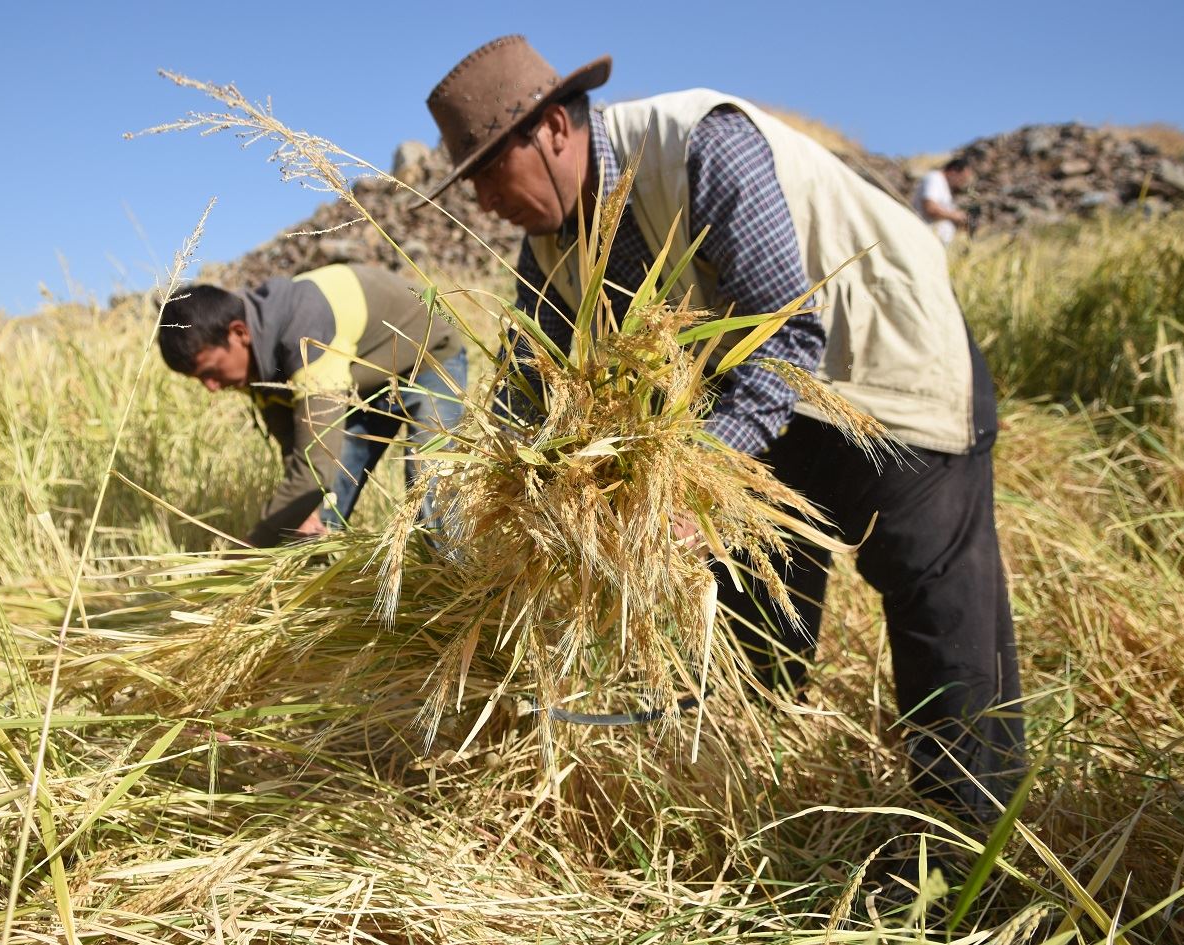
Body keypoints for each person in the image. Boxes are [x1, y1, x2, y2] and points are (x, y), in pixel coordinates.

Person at [422, 36, 1023, 824]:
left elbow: (787, 340)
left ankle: (965, 840)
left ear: (554, 129)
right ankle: (763, 806)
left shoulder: (701, 145)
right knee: (756, 601)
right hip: (759, 409)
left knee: (935, 598)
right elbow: (529, 393)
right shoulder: (549, 251)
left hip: (887, 366)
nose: (483, 203)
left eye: (488, 174)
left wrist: (682, 481)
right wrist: (493, 516)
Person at [157, 263, 466, 547]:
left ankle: (454, 579)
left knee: (430, 490)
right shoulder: (253, 362)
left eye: (209, 372)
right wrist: (301, 515)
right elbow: (296, 446)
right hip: (359, 380)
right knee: (311, 522)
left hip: (426, 356)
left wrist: (249, 549)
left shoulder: (303, 335)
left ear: (238, 333)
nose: (211, 387)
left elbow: (314, 470)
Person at [914, 157, 975, 245]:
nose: (961, 184)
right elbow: (930, 208)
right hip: (925, 240)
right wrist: (956, 216)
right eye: (962, 179)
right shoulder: (934, 178)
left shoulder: (944, 185)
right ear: (953, 171)